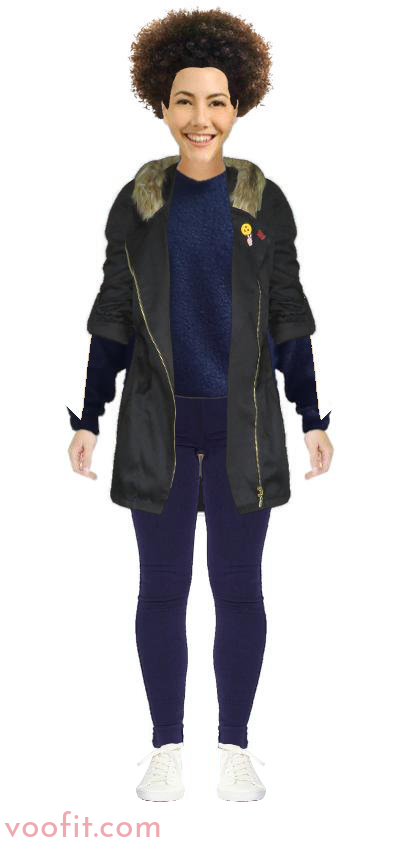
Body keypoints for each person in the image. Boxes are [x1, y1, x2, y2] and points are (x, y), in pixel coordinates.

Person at [67, 9, 334, 802]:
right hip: (161, 428)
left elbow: (287, 311)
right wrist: (89, 415)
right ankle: (165, 746)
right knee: (161, 589)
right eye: (184, 100)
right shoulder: (139, 203)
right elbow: (114, 313)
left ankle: (235, 746)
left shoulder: (263, 202)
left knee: (240, 589)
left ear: (238, 104)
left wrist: (312, 415)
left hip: (244, 429)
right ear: (161, 103)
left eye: (216, 100)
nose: (200, 117)